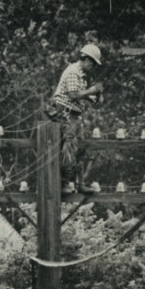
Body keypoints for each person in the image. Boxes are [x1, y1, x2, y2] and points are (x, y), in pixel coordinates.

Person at [45, 43, 104, 193]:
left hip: (74, 114)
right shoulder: (73, 72)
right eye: (93, 63)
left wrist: (93, 96)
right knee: (69, 146)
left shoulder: (82, 75)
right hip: (64, 112)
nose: (93, 67)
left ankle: (80, 183)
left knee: (81, 148)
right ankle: (64, 183)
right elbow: (72, 95)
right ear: (87, 60)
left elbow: (79, 95)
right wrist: (91, 90)